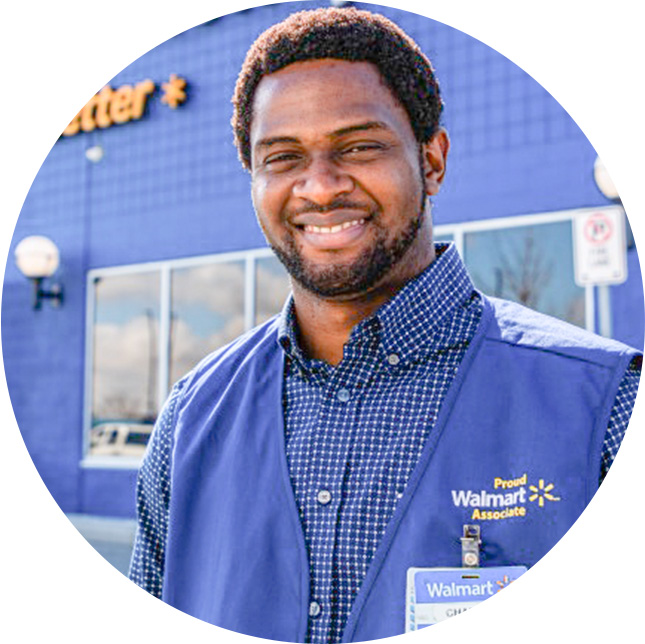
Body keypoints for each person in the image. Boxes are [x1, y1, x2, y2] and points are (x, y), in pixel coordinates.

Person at [129, 7, 641, 643]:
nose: (319, 188)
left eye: (359, 146)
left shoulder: (607, 405)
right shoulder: (190, 420)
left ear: (432, 162)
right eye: (283, 157)